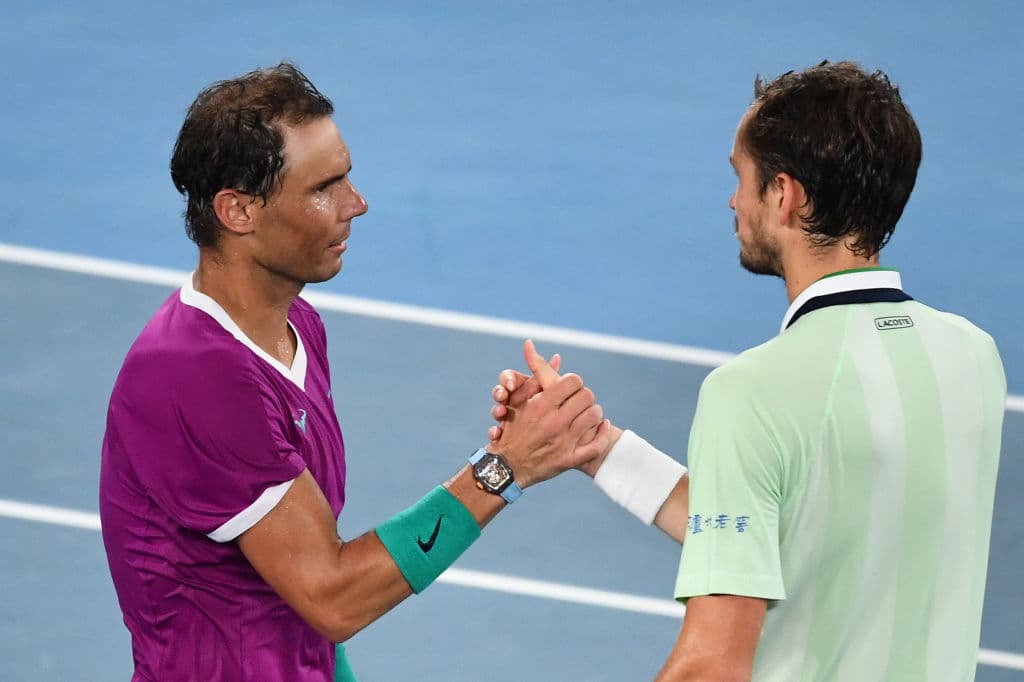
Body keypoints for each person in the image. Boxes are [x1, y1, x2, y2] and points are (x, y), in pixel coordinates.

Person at [489, 61, 1006, 680]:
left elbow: (711, 665)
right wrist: (601, 450)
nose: (733, 198)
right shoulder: (973, 356)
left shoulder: (754, 392)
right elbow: (791, 533)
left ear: (784, 195)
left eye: (741, 176)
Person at [98, 62, 611, 682]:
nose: (357, 204)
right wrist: (503, 469)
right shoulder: (195, 378)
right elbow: (332, 595)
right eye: (324, 187)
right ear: (238, 211)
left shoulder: (298, 328)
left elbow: (306, 613)